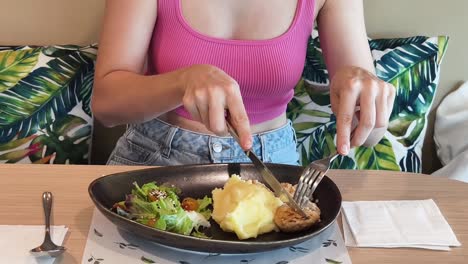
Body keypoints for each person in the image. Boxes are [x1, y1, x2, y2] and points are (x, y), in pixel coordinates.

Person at [92, 0, 395, 166]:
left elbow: (370, 136)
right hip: (153, 160)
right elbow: (106, 105)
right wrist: (182, 82)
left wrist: (365, 99)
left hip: (271, 170)